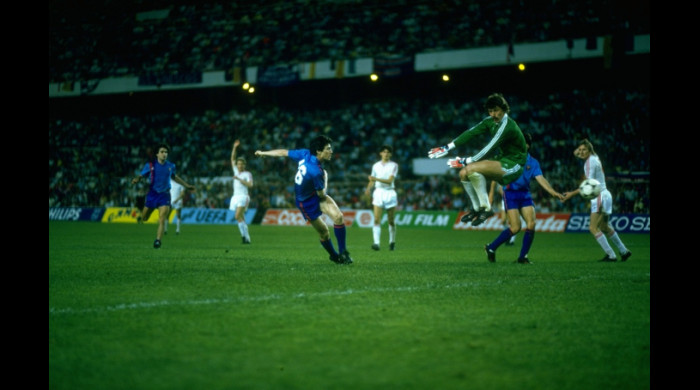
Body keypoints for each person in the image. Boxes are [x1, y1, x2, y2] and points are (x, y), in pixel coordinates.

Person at [429, 93, 527, 227]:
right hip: (502, 159)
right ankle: (477, 208)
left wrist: (466, 160)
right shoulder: (490, 121)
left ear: (504, 109)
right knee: (463, 173)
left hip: (515, 164)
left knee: (469, 167)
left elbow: (490, 147)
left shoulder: (507, 126)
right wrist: (448, 147)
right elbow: (471, 133)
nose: (493, 114)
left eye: (496, 110)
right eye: (490, 111)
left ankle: (486, 209)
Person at [255, 135, 353, 264]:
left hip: (312, 193)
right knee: (324, 232)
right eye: (328, 149)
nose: (331, 151)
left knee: (338, 217)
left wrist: (264, 153)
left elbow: (283, 152)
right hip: (306, 202)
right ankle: (334, 256)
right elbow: (322, 194)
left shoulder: (305, 153)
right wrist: (326, 178)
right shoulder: (317, 172)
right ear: (318, 151)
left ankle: (343, 252)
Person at [484, 133, 565, 264]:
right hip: (510, 193)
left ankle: (523, 257)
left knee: (531, 224)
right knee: (516, 227)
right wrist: (491, 194)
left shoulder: (533, 162)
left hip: (525, 194)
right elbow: (495, 175)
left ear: (527, 146)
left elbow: (541, 179)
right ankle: (491, 247)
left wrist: (553, 192)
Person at [563, 139, 632, 262]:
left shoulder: (589, 163)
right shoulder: (595, 157)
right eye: (580, 150)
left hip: (599, 195)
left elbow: (588, 185)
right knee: (604, 226)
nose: (582, 152)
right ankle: (624, 251)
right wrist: (581, 148)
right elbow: (576, 153)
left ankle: (611, 255)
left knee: (593, 228)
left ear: (589, 150)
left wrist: (570, 194)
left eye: (584, 150)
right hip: (606, 194)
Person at [132, 143, 195, 248]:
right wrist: (136, 179)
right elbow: (141, 175)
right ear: (157, 154)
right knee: (144, 218)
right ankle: (142, 210)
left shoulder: (171, 166)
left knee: (162, 219)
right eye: (162, 152)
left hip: (165, 195)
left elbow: (175, 177)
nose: (164, 154)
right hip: (152, 195)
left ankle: (158, 241)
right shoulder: (151, 165)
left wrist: (187, 185)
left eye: (166, 152)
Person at [365, 145, 398, 251]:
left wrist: (375, 179)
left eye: (388, 152)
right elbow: (372, 180)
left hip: (390, 193)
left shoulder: (394, 165)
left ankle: (392, 241)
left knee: (391, 220)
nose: (386, 154)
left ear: (391, 154)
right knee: (376, 219)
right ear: (380, 153)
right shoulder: (375, 166)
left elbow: (389, 181)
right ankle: (376, 243)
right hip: (378, 192)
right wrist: (368, 188)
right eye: (384, 152)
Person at [230, 139, 254, 244]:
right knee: (241, 218)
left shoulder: (247, 174)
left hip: (243, 197)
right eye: (238, 164)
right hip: (235, 196)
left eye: (241, 164)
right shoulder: (235, 171)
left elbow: (250, 184)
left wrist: (239, 179)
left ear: (244, 165)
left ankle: (245, 236)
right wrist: (235, 147)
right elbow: (232, 158)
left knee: (237, 216)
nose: (239, 165)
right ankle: (246, 238)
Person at [488, 181, 516, 246]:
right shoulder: (500, 180)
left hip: (512, 199)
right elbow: (496, 185)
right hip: (504, 200)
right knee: (503, 221)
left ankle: (511, 240)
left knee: (512, 221)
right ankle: (508, 237)